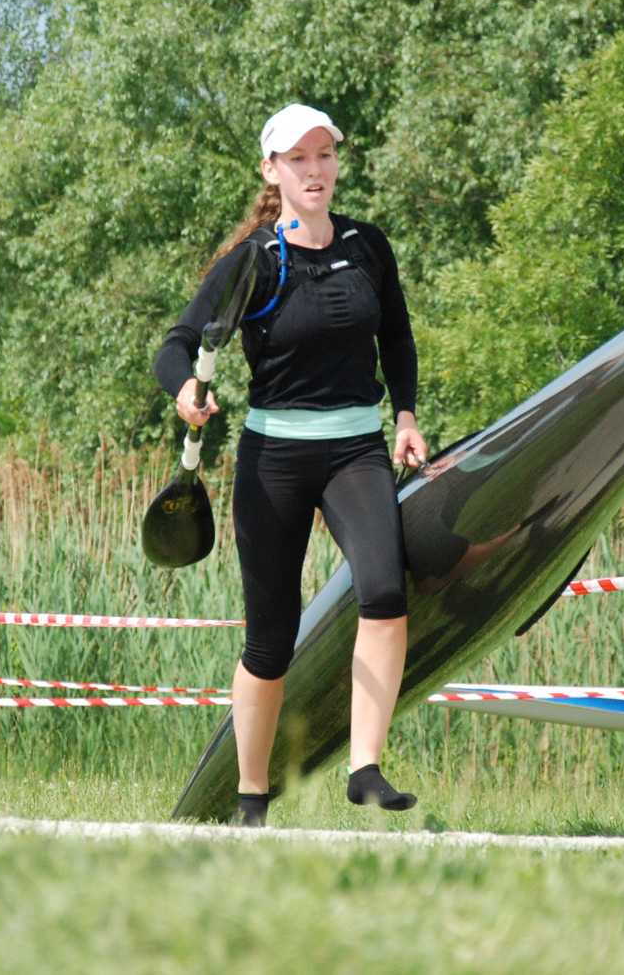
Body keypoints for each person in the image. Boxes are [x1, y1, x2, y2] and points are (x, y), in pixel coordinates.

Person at [153, 103, 426, 827]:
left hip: (356, 449)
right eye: (297, 158)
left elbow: (397, 339)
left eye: (324, 155)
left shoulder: (368, 246)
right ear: (271, 171)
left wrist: (404, 416)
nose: (314, 169)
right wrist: (184, 391)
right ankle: (251, 797)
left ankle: (365, 768)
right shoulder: (252, 261)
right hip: (273, 458)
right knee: (271, 641)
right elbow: (176, 345)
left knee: (384, 592)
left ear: (337, 163)